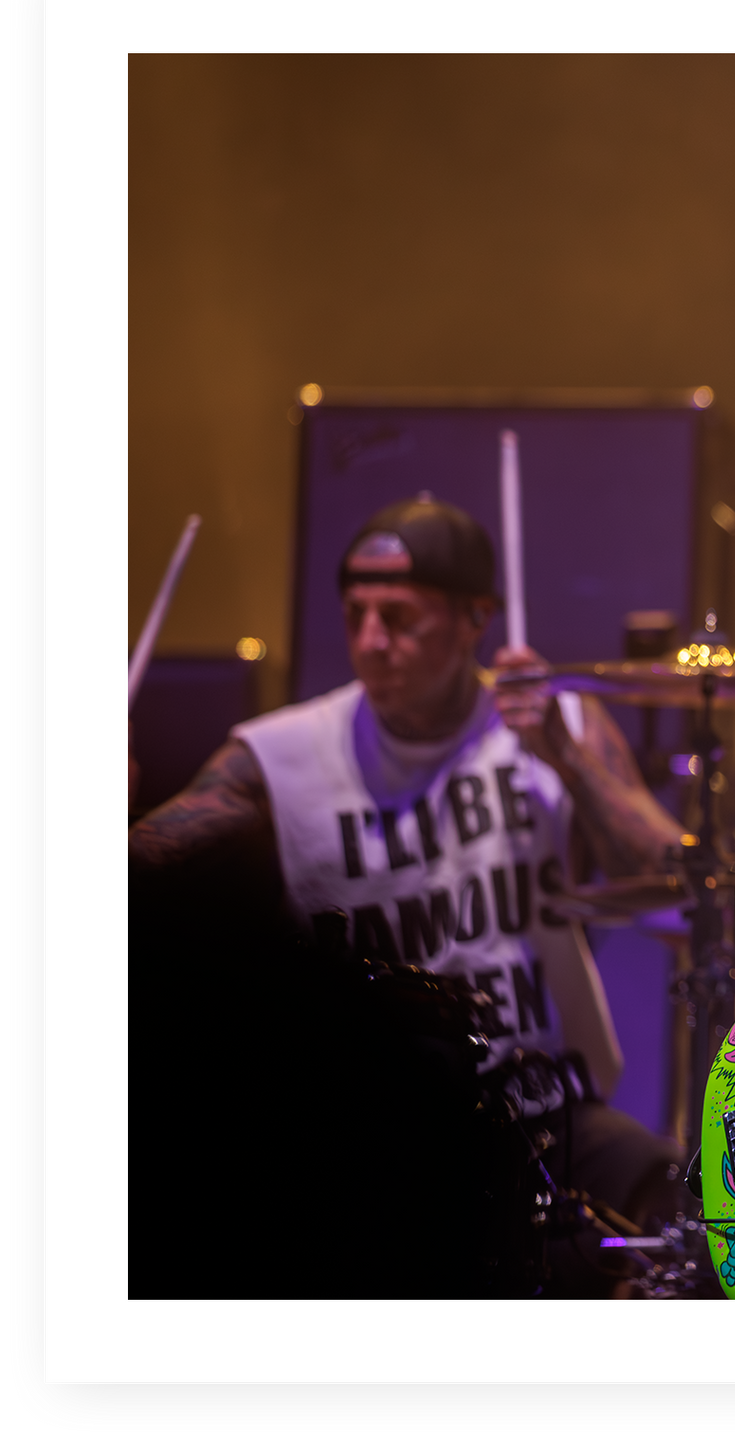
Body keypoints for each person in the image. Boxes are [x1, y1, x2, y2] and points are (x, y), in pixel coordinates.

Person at [128, 495, 687, 1295]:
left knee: (679, 1209)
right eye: (354, 615)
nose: (369, 641)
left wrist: (566, 758)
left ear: (474, 619)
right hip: (368, 1127)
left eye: (398, 617)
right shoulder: (281, 756)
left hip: (544, 1111)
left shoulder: (553, 721)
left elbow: (681, 885)